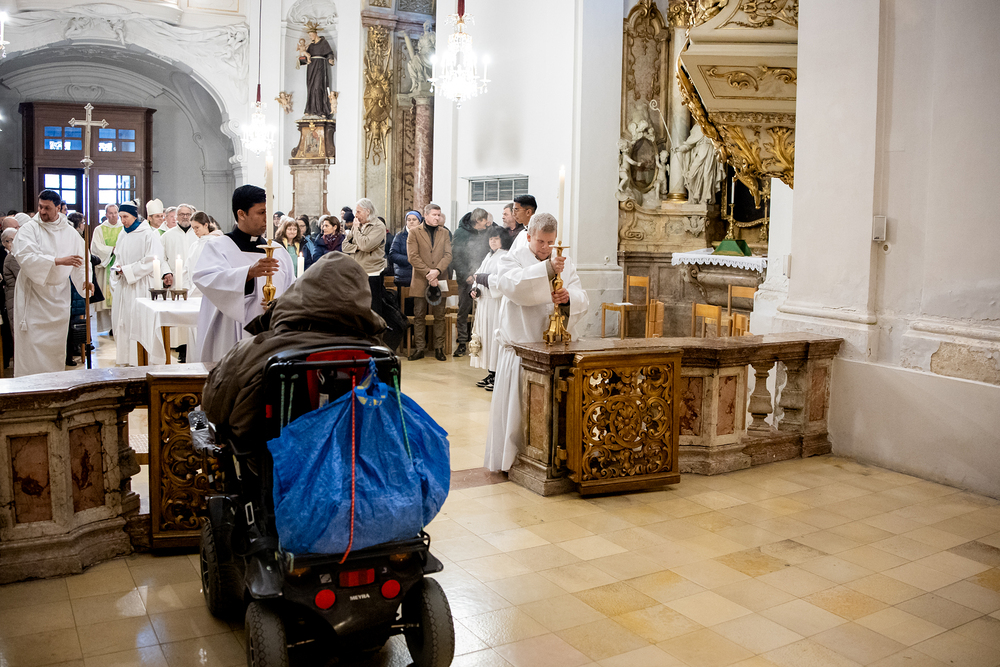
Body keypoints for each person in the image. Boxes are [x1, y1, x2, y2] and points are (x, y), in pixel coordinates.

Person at [202, 251, 385, 442]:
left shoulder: (252, 351)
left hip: (267, 458)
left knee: (199, 421)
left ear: (301, 291)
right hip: (354, 457)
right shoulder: (379, 354)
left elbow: (213, 410)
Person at [484, 213, 589, 472]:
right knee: (519, 412)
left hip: (554, 349)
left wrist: (568, 298)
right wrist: (548, 270)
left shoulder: (565, 262)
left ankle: (549, 460)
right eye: (541, 241)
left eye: (551, 242)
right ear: (529, 236)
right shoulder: (511, 259)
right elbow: (515, 287)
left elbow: (582, 296)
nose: (546, 248)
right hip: (522, 350)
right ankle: (514, 459)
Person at [192, 185, 294, 363]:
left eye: (268, 212)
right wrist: (248, 273)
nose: (267, 218)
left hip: (272, 337)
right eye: (261, 212)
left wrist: (279, 304)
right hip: (230, 335)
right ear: (241, 214)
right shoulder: (218, 247)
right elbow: (206, 279)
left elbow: (292, 288)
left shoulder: (278, 251)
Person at [10, 190, 90, 377]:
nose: (42, 211)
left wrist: (86, 281)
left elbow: (81, 260)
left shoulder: (69, 232)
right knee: (31, 345)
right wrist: (57, 261)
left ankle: (53, 383)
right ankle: (28, 385)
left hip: (58, 297)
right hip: (33, 295)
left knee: (54, 348)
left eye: (47, 208)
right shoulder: (30, 229)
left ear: (58, 208)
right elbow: (25, 256)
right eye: (40, 207)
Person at [108, 201, 167, 366]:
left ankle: (141, 360)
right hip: (124, 286)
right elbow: (118, 257)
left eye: (125, 216)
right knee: (123, 322)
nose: (122, 220)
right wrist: (118, 269)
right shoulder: (122, 234)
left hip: (140, 285)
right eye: (120, 217)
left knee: (138, 322)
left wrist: (127, 270)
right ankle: (126, 359)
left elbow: (153, 260)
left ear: (135, 216)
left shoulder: (148, 234)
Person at [407, 203, 452, 361]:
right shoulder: (414, 232)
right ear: (425, 216)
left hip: (440, 277)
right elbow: (412, 256)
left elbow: (448, 255)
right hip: (421, 278)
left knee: (440, 315)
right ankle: (419, 348)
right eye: (434, 215)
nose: (437, 218)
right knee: (419, 315)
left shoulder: (444, 232)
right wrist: (428, 273)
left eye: (439, 215)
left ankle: (439, 348)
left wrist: (437, 271)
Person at [469, 226, 508, 390]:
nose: (493, 241)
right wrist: (474, 290)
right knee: (485, 338)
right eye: (491, 239)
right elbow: (477, 276)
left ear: (503, 240)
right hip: (484, 303)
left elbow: (501, 281)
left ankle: (498, 374)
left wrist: (482, 279)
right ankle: (491, 372)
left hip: (495, 304)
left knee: (494, 339)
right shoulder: (489, 255)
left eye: (496, 238)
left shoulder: (504, 256)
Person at [452, 208, 491, 358]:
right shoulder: (461, 233)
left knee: (482, 310)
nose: (486, 225)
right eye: (484, 222)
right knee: (463, 310)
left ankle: (481, 341)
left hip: (482, 277)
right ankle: (462, 342)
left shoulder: (486, 232)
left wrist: (480, 274)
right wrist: (466, 275)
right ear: (477, 221)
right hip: (465, 279)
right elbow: (456, 256)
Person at [342, 198, 386, 316]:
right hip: (356, 271)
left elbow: (366, 246)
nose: (355, 215)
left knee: (373, 309)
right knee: (357, 307)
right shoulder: (358, 225)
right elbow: (344, 246)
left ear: (367, 211)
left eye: (358, 212)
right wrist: (358, 247)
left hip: (372, 272)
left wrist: (357, 231)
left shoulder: (378, 226)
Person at [90, 203, 122, 332]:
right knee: (106, 297)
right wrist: (111, 250)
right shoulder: (99, 229)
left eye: (115, 213)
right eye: (110, 213)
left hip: (120, 265)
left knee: (119, 297)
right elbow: (96, 247)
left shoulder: (124, 227)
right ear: (106, 215)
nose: (113, 215)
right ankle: (109, 327)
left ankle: (118, 326)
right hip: (106, 266)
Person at [390, 211, 421, 316]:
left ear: (419, 222)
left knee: (420, 309)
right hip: (404, 277)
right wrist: (410, 260)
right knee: (405, 309)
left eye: (414, 220)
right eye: (409, 220)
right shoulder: (400, 236)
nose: (411, 222)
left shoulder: (423, 235)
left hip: (420, 276)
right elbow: (393, 254)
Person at [184, 212, 223, 296]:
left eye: (197, 227)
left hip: (207, 289)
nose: (195, 231)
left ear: (205, 225)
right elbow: (187, 267)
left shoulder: (214, 243)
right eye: (193, 228)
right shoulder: (194, 245)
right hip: (192, 288)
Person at [1, 227, 19, 371]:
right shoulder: (12, 257)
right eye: (11, 240)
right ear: (4, 242)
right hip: (14, 298)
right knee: (18, 333)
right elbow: (23, 276)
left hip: (15, 296)